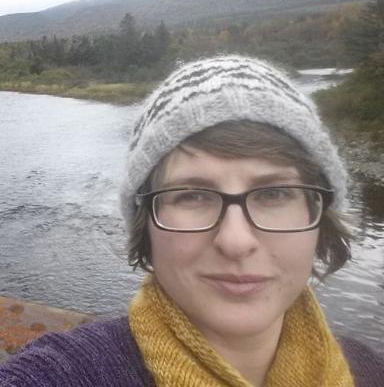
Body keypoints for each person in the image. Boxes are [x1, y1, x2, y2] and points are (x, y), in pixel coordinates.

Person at [1, 55, 383, 387]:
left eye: (274, 194)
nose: (235, 241)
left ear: (320, 218)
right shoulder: (69, 373)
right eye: (193, 195)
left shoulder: (366, 369)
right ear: (145, 224)